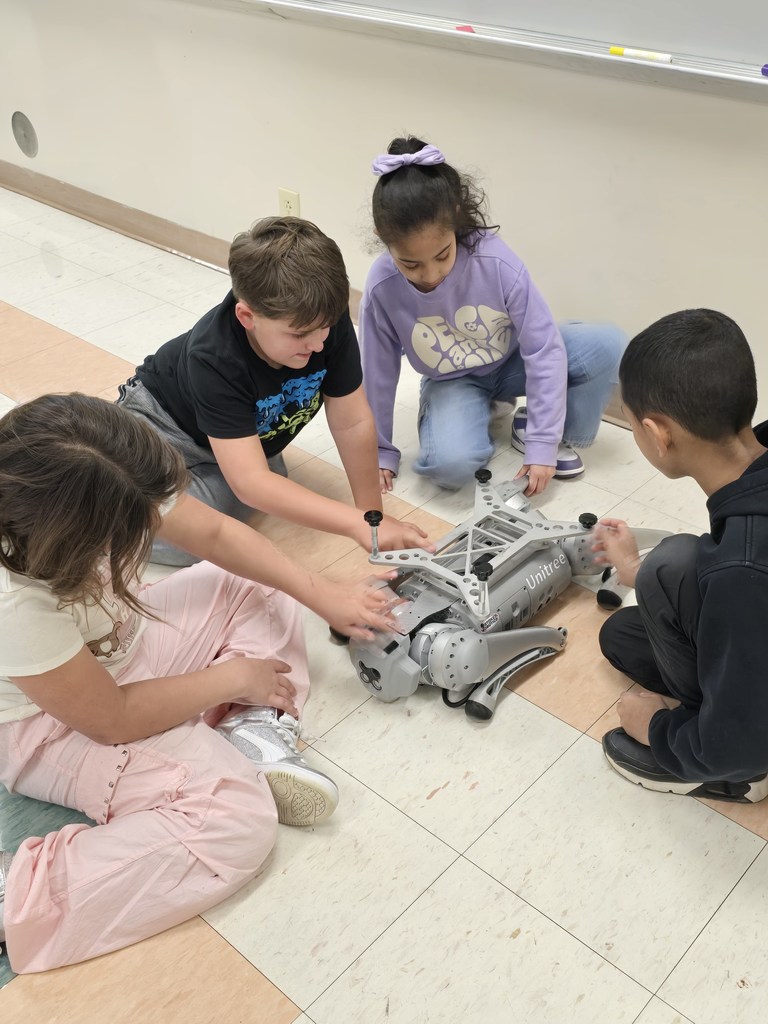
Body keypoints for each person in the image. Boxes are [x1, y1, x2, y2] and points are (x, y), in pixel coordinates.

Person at [0, 393, 400, 974]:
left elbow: (216, 538)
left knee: (255, 581)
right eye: (124, 538)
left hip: (121, 653)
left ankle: (245, 729)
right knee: (235, 818)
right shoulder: (14, 601)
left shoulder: (104, 470)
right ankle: (18, 894)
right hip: (52, 724)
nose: (142, 541)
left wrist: (321, 593)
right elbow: (110, 718)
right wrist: (231, 676)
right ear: (70, 538)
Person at [118, 216, 431, 565]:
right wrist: (353, 524)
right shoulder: (214, 356)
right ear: (247, 316)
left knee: (260, 489)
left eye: (325, 328)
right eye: (299, 334)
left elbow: (352, 421)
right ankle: (100, 507)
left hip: (230, 445)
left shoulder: (321, 317)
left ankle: (197, 485)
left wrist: (373, 519)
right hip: (159, 428)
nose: (317, 343)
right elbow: (250, 484)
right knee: (188, 541)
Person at [359, 136, 627, 496]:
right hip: (452, 378)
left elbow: (543, 348)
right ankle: (477, 409)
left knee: (607, 344)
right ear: (383, 239)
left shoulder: (495, 261)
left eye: (442, 255)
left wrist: (544, 442)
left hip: (511, 360)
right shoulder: (382, 285)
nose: (431, 274)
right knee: (448, 469)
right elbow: (376, 372)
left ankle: (533, 424)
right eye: (411, 264)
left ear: (455, 219)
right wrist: (378, 452)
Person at [593, 309, 768, 803]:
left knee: (669, 566)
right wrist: (631, 571)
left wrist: (660, 728)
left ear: (659, 432)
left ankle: (741, 777)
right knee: (625, 634)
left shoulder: (746, 565)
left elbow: (743, 580)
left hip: (752, 736)